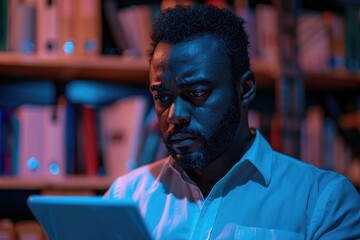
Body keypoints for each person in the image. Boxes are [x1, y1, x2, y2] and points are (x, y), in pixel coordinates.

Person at [105, 3, 360, 239]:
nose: (174, 114)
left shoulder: (322, 202)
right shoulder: (125, 197)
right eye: (162, 96)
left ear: (245, 89)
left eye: (196, 93)